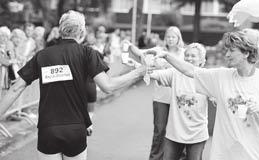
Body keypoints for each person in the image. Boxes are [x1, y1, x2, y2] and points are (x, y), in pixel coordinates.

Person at [0, 10, 146, 160]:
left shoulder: (43, 55)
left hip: (48, 128)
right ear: (81, 31)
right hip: (75, 127)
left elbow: (16, 88)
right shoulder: (87, 53)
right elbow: (107, 86)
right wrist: (138, 72)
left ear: (61, 29)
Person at [154, 29, 259, 160]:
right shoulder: (221, 77)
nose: (227, 55)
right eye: (227, 50)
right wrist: (166, 56)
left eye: (232, 50)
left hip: (255, 154)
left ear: (246, 53)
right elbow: (190, 70)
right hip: (224, 154)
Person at [125, 26, 185, 160]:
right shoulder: (158, 50)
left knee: (179, 130)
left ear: (178, 38)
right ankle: (155, 157)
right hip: (161, 98)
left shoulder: (183, 53)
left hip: (178, 98)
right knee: (159, 131)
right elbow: (142, 53)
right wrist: (129, 45)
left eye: (173, 37)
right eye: (168, 37)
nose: (170, 39)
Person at [149, 43, 209, 160]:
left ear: (201, 60)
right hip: (175, 134)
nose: (189, 58)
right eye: (187, 55)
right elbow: (153, 74)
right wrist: (139, 67)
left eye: (193, 56)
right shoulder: (175, 73)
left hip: (197, 134)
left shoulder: (206, 77)